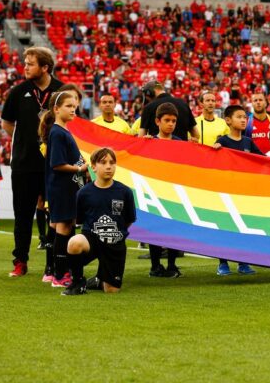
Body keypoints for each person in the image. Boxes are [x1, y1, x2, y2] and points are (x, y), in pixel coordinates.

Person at [2, 47, 63, 277]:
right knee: (23, 214)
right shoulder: (18, 92)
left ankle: (54, 263)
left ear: (45, 67)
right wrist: (25, 141)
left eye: (30, 64)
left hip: (54, 164)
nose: (25, 67)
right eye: (25, 63)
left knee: (55, 216)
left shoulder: (61, 90)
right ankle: (20, 261)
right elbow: (7, 123)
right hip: (24, 164)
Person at [62, 148, 136, 296]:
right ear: (93, 166)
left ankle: (98, 280)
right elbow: (82, 222)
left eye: (112, 162)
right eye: (103, 163)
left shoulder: (125, 192)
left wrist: (115, 233)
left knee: (111, 290)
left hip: (115, 243)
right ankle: (78, 282)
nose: (109, 166)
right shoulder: (83, 193)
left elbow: (128, 220)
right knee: (74, 242)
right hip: (93, 239)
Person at [40, 91, 89, 288]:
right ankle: (60, 275)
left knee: (65, 226)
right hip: (62, 188)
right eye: (68, 106)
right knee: (63, 228)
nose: (72, 110)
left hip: (66, 188)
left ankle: (58, 271)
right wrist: (80, 168)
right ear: (56, 109)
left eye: (74, 107)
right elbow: (57, 164)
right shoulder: (58, 132)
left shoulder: (62, 131)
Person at [211, 105, 260, 275]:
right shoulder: (223, 141)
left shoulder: (248, 142)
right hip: (226, 192)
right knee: (225, 228)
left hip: (244, 193)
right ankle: (223, 263)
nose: (243, 120)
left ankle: (243, 262)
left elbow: (262, 160)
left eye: (245, 117)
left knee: (243, 228)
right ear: (228, 120)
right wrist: (214, 150)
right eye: (239, 117)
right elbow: (211, 162)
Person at [147, 102, 184, 278]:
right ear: (157, 121)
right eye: (167, 120)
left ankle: (172, 265)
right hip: (154, 193)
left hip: (174, 194)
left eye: (174, 121)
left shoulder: (181, 144)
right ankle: (155, 266)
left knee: (173, 230)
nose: (170, 124)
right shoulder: (148, 143)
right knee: (155, 230)